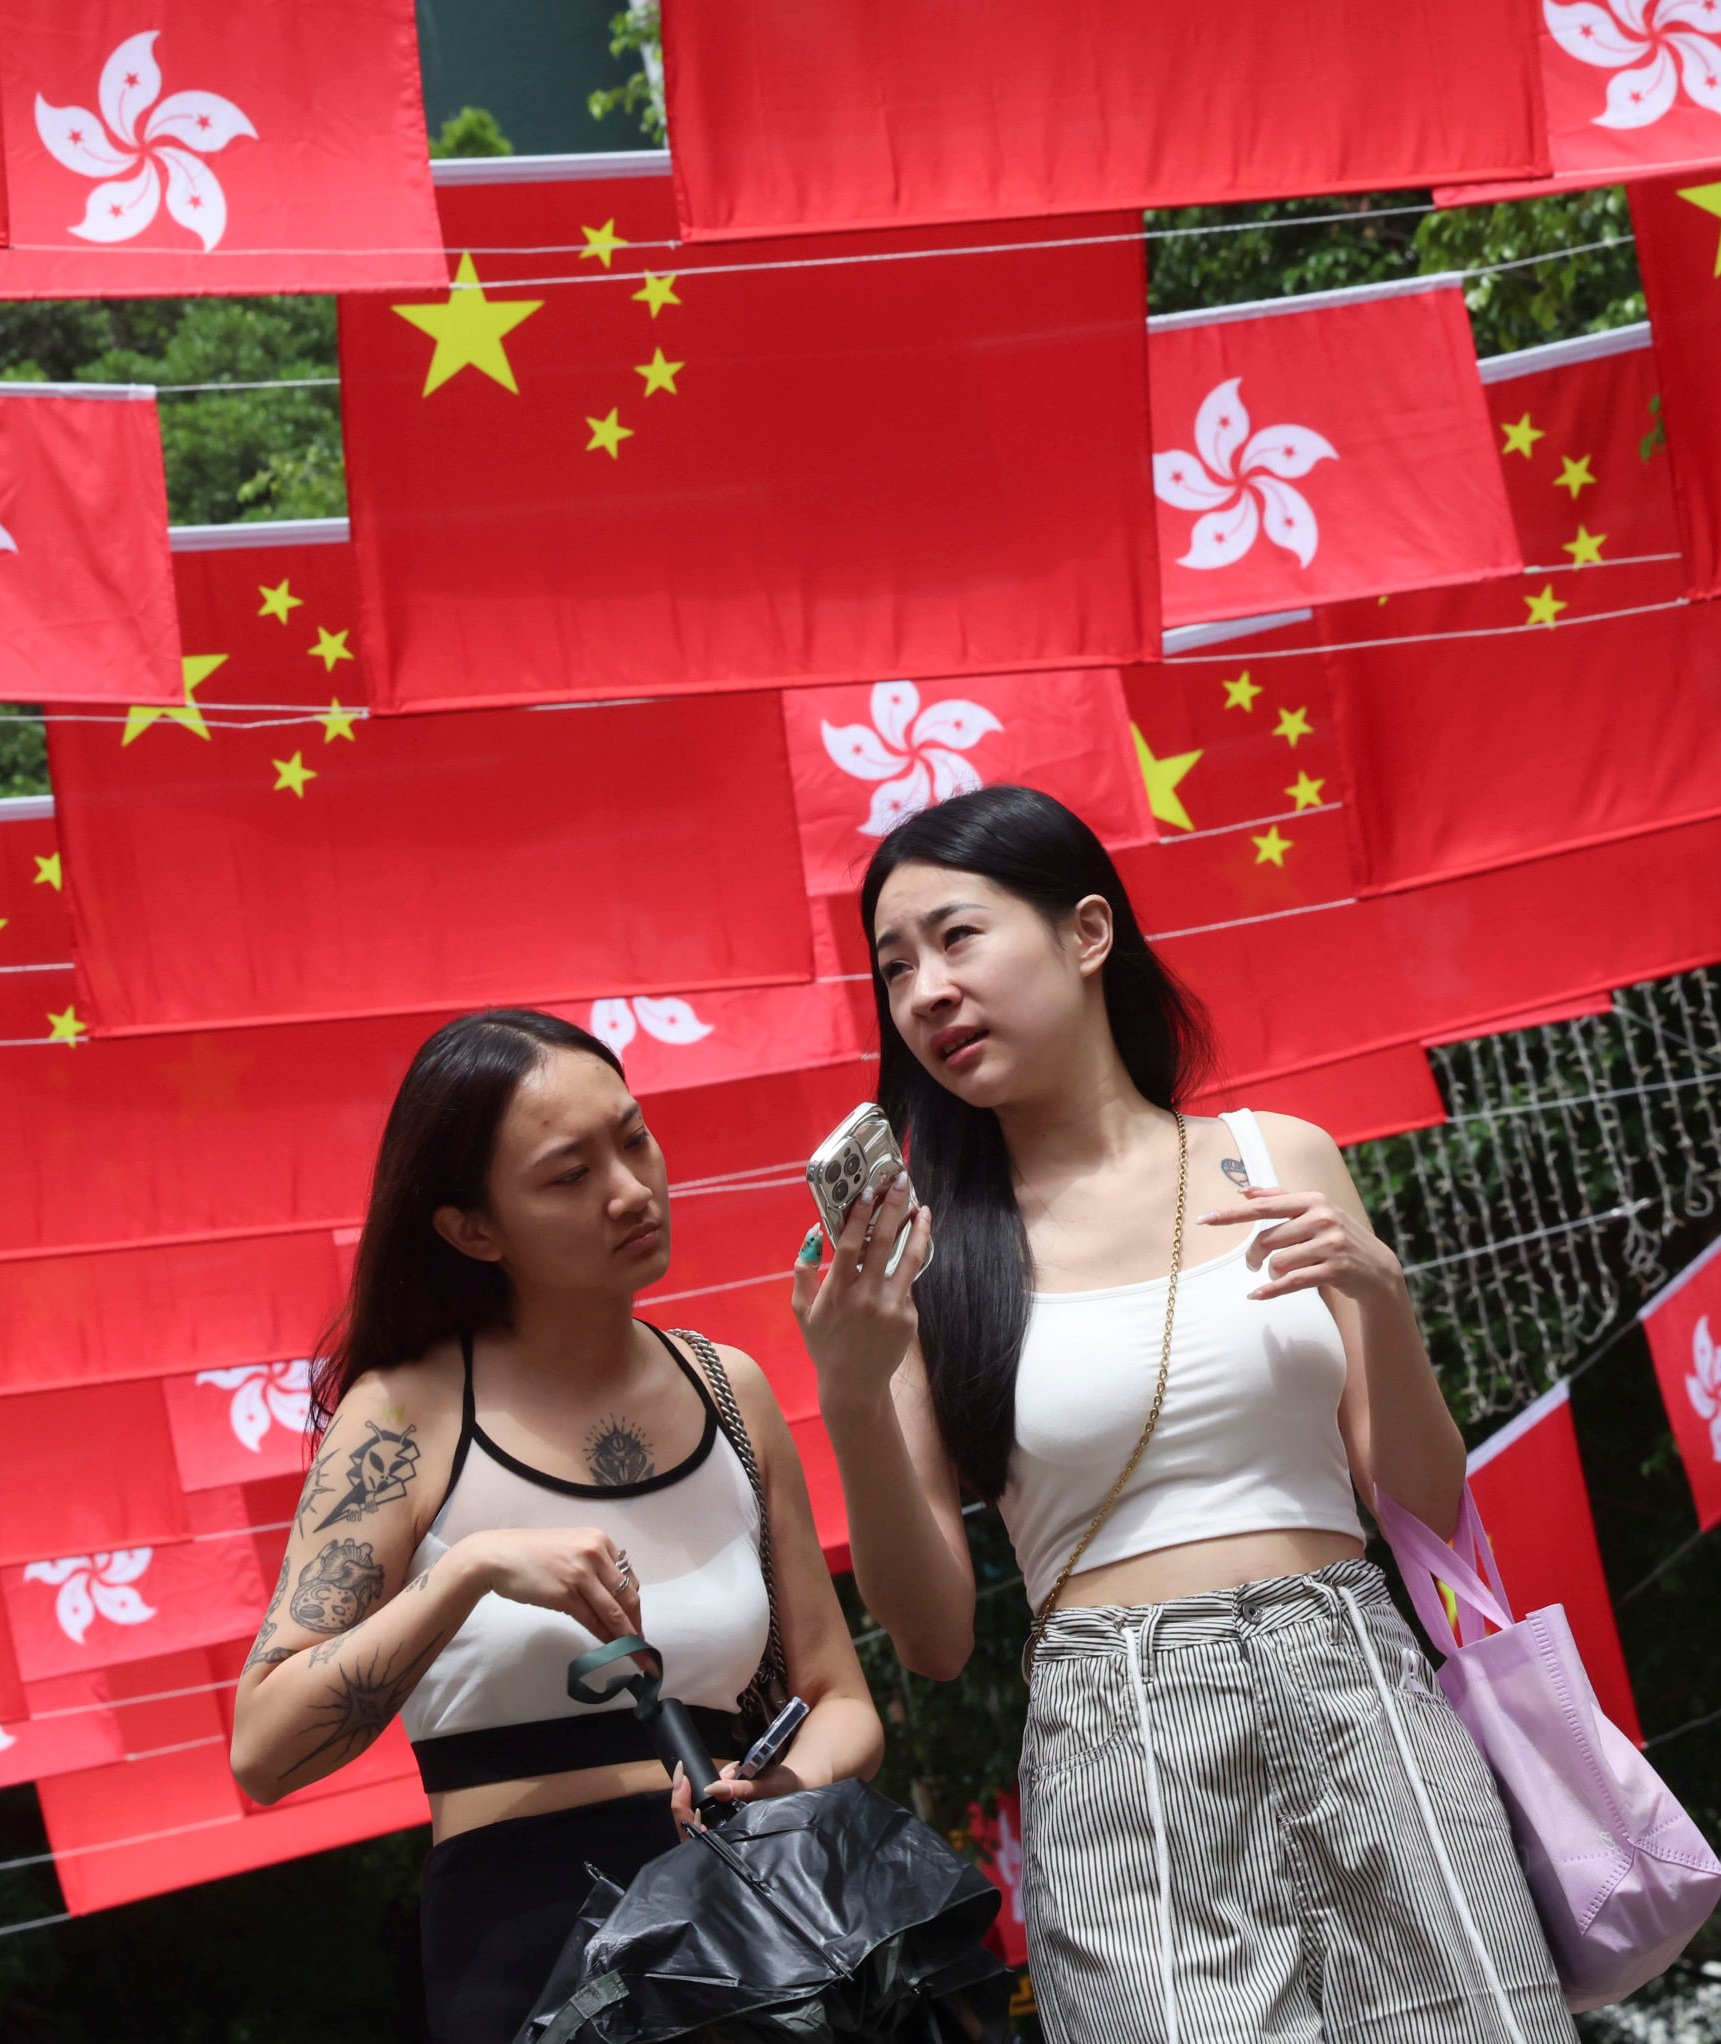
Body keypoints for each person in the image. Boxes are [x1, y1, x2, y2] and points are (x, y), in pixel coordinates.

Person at [794, 785, 1566, 2043]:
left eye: (958, 936)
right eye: (894, 968)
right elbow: (933, 1638)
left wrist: (1381, 1299)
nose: (927, 988)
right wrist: (850, 1390)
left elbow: (1423, 1512)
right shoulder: (922, 1258)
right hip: (1119, 1731)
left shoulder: (1281, 1156)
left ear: (1088, 932)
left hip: (1357, 1678)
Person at [228, 1009, 884, 2044]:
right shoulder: (404, 1416)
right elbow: (263, 1749)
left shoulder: (732, 1389)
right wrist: (472, 1571)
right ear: (471, 1228)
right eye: (567, 1173)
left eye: (634, 1137)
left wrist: (783, 1779)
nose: (630, 1187)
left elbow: (842, 1697)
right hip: (528, 1950)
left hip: (751, 1928)